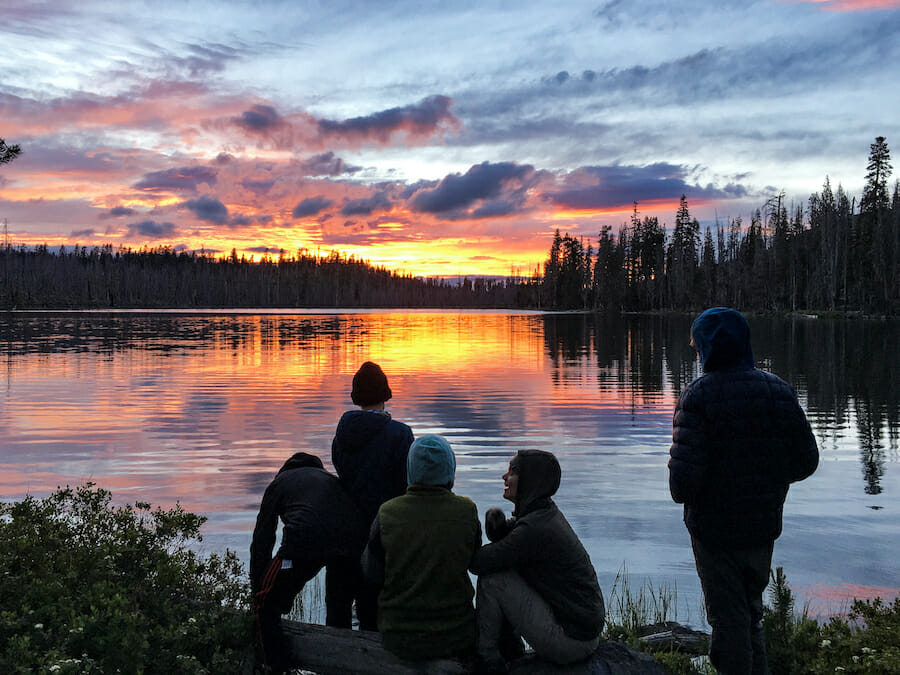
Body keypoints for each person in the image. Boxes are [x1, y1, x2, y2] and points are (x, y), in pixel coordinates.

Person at [668, 307, 819, 675]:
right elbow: (806, 462)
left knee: (729, 623)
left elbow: (681, 486)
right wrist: (766, 479)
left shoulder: (698, 397)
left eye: (696, 347)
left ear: (706, 348)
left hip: (714, 534)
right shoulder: (779, 390)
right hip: (762, 528)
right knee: (750, 615)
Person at [469, 449, 605, 672]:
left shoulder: (534, 529)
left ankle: (488, 659)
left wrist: (470, 528)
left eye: (512, 472)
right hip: (583, 633)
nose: (504, 477)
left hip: (571, 641)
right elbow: (512, 543)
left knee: (492, 580)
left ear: (530, 481)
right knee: (505, 572)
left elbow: (478, 563)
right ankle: (511, 650)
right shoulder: (544, 513)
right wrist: (499, 528)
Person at [361, 434, 482, 662]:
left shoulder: (387, 513)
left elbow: (371, 575)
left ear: (410, 470)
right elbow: (475, 563)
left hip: (398, 638)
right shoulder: (467, 511)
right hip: (457, 636)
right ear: (450, 469)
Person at [249, 452, 369, 673]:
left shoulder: (279, 483)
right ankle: (341, 667)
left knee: (266, 607)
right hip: (353, 542)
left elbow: (262, 540)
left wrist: (259, 590)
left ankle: (277, 667)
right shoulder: (331, 480)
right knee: (339, 608)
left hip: (305, 538)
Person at [331, 361, 414, 629]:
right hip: (385, 533)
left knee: (340, 611)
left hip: (346, 529)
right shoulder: (400, 434)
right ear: (386, 393)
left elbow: (342, 471)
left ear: (356, 395)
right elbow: (407, 485)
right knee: (376, 613)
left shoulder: (342, 433)